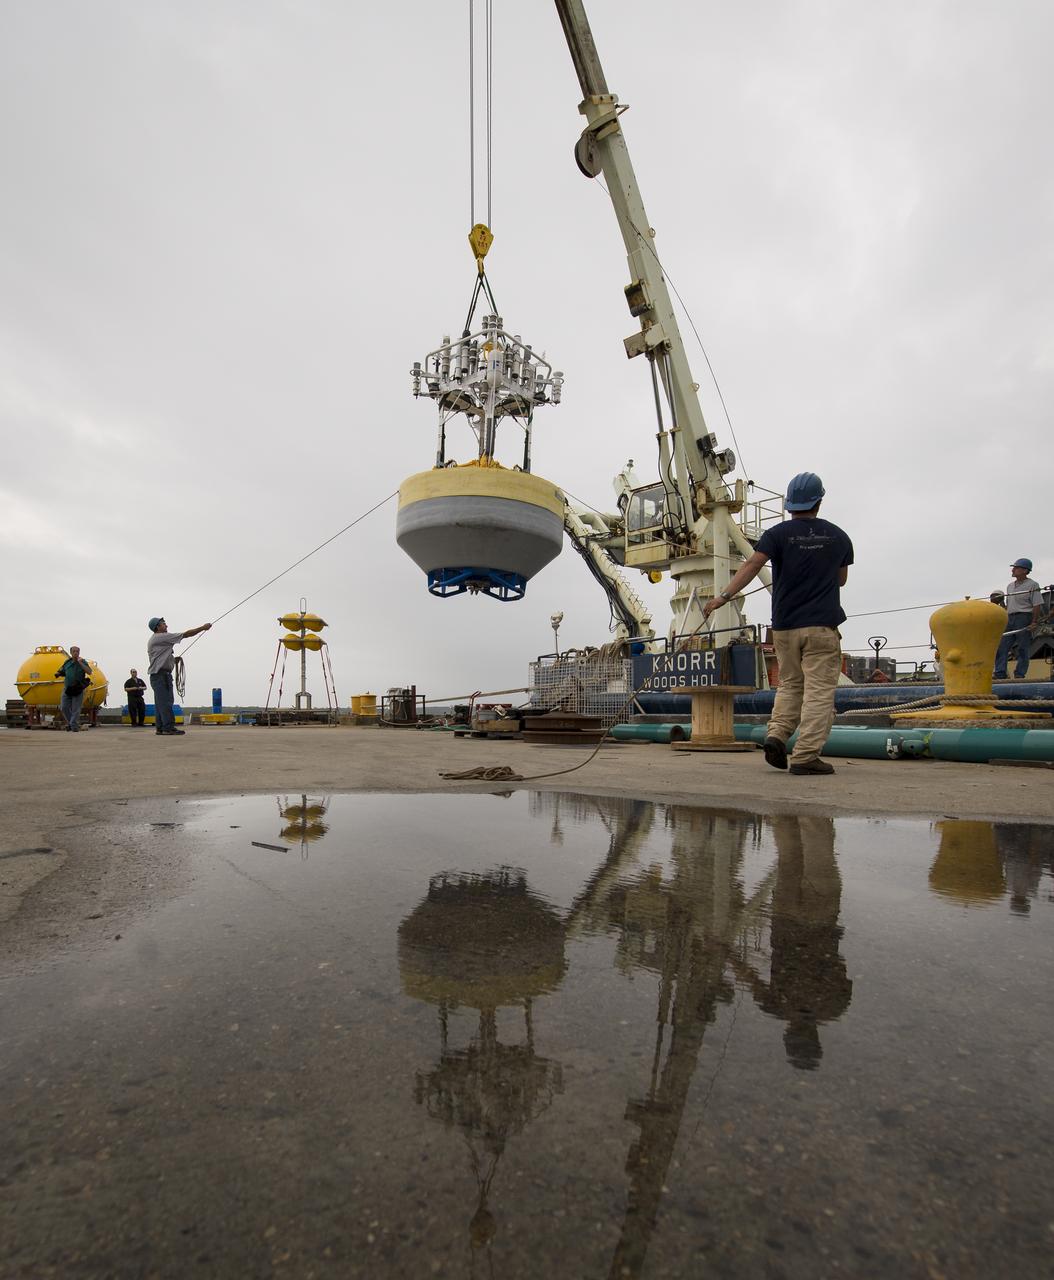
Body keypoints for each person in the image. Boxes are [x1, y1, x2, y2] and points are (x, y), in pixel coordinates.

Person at [702, 471, 853, 776]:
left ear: (789, 503)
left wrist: (723, 597)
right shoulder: (839, 537)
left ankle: (777, 735)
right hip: (821, 627)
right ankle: (805, 755)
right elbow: (841, 580)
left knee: (790, 685)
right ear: (819, 501)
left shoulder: (777, 534)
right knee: (819, 692)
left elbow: (752, 564)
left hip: (784, 627)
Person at [147, 616, 212, 736]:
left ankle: (161, 728)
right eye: (164, 624)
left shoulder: (156, 640)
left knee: (160, 704)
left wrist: (172, 660)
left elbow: (161, 657)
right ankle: (168, 728)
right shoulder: (161, 637)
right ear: (158, 627)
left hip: (158, 675)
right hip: (161, 676)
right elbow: (186, 634)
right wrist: (203, 628)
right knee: (166, 702)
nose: (166, 625)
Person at [993, 558, 1040, 681]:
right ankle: (1000, 673)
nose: (1013, 570)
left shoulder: (1033, 585)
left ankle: (1020, 674)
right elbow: (1009, 604)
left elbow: (1037, 604)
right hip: (1009, 617)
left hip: (1024, 617)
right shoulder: (1009, 586)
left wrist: (1034, 622)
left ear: (1025, 570)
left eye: (1016, 567)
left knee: (1022, 647)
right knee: (1002, 646)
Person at [55, 646, 93, 732]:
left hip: (77, 688)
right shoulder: (67, 662)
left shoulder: (82, 661)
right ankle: (72, 724)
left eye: (77, 651)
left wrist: (80, 663)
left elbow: (89, 672)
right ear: (71, 653)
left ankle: (73, 726)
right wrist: (58, 673)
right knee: (64, 707)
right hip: (67, 688)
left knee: (76, 708)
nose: (76, 653)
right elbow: (62, 670)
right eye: (74, 651)